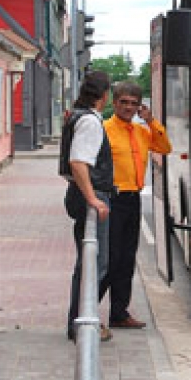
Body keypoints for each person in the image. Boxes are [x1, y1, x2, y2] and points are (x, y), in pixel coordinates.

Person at [101, 81, 172, 329]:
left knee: (127, 260)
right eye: (124, 102)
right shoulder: (104, 130)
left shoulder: (142, 131)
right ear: (114, 102)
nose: (128, 107)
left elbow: (164, 147)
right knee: (109, 260)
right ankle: (87, 314)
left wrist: (151, 121)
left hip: (133, 200)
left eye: (134, 103)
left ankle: (119, 313)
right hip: (112, 199)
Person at [61, 71, 115, 342]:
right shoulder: (91, 122)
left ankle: (80, 322)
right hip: (90, 195)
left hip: (80, 194)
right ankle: (82, 324)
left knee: (88, 263)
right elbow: (79, 162)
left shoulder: (77, 115)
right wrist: (93, 198)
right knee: (95, 264)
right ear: (104, 95)